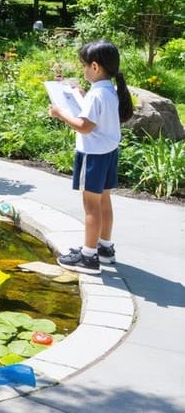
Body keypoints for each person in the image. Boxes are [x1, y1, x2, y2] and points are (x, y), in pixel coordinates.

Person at [48, 40, 133, 274]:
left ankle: (88, 256)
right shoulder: (108, 90)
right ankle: (104, 248)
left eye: (84, 65)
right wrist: (81, 95)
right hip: (107, 153)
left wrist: (60, 113)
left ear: (95, 67)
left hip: (93, 156)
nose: (83, 69)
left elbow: (84, 127)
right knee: (104, 201)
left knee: (91, 207)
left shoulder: (97, 96)